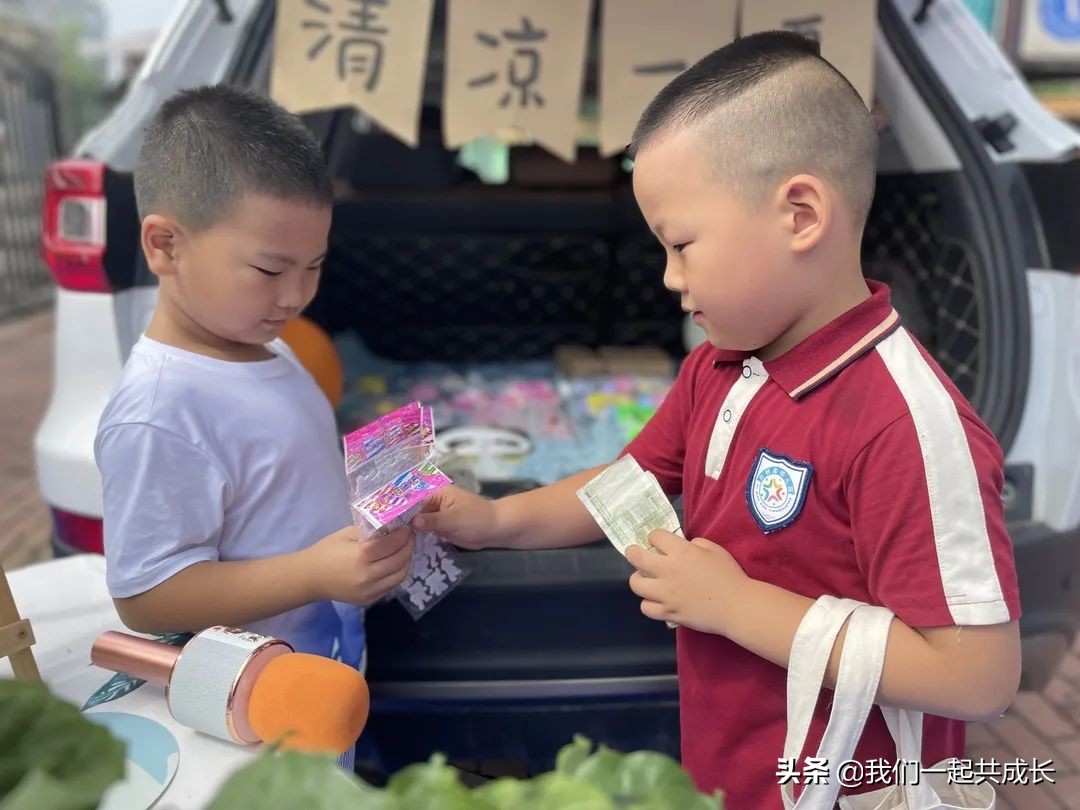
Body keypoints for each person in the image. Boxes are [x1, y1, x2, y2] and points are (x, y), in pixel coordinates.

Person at [413, 32, 1021, 808]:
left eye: (682, 246)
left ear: (800, 214)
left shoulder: (906, 425)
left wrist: (735, 606)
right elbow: (628, 484)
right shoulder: (721, 366)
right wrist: (494, 520)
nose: (670, 278)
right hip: (732, 773)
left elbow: (979, 675)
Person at [95, 85, 413, 683]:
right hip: (254, 704)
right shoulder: (161, 410)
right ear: (165, 246)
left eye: (314, 267)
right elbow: (145, 597)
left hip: (327, 663)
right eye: (269, 270)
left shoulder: (263, 343)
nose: (295, 296)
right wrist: (313, 575)